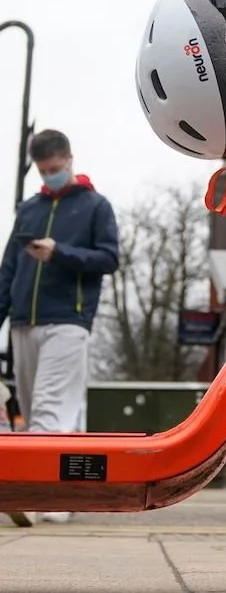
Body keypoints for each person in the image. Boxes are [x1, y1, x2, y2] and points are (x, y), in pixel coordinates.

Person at [0, 129, 119, 526]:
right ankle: (64, 497)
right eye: (43, 169)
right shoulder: (29, 210)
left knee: (50, 409)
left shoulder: (95, 206)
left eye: (55, 168)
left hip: (68, 320)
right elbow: (9, 271)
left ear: (70, 159)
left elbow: (108, 258)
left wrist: (59, 253)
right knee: (41, 410)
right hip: (23, 322)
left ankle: (33, 495)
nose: (50, 174)